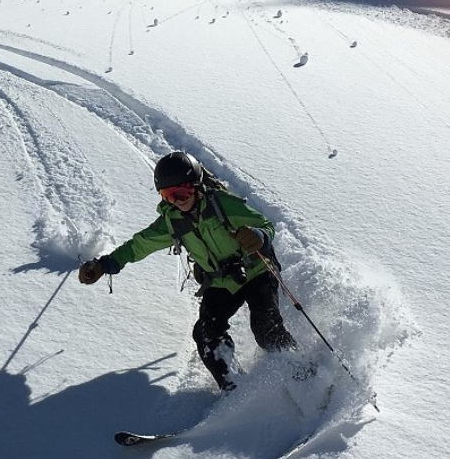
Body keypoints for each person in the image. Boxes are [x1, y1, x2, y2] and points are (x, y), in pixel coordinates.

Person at [78, 151, 298, 392]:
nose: (178, 200)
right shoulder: (172, 221)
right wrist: (105, 264)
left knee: (265, 328)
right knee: (205, 333)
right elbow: (139, 245)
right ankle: (237, 388)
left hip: (256, 270)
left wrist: (259, 236)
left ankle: (301, 372)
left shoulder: (223, 205)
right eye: (168, 195)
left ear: (197, 186)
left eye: (183, 191)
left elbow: (265, 224)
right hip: (221, 281)